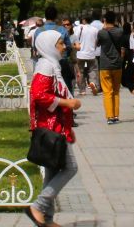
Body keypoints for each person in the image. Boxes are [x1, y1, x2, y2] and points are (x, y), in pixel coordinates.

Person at [25, 29, 80, 227]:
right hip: (51, 127)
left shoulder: (50, 64)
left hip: (56, 125)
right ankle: (38, 206)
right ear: (49, 45)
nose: (64, 46)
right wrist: (67, 104)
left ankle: (46, 219)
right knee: (70, 167)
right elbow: (38, 95)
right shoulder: (47, 66)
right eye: (60, 43)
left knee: (51, 169)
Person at [95, 11, 125, 124]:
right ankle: (116, 115)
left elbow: (97, 44)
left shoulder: (101, 32)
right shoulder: (120, 31)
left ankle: (110, 116)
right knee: (116, 91)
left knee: (107, 91)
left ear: (105, 20)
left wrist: (104, 27)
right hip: (117, 64)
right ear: (115, 20)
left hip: (105, 65)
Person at [75, 12, 100, 95]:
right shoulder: (95, 30)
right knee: (93, 70)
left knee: (80, 71)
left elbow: (75, 40)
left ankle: (82, 90)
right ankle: (93, 83)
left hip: (80, 54)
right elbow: (97, 42)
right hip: (91, 53)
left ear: (83, 20)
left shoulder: (78, 28)